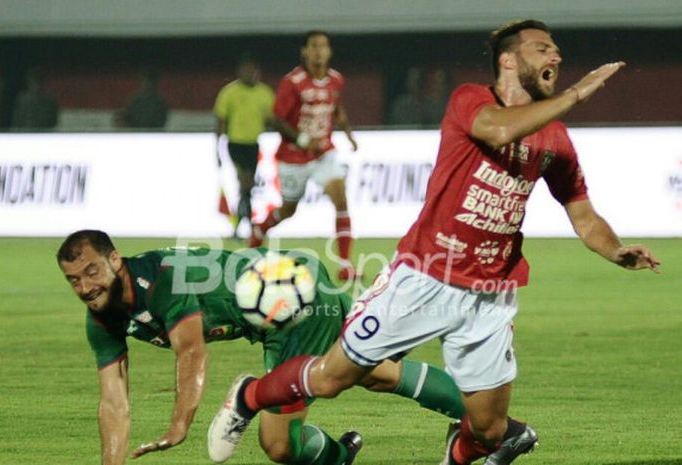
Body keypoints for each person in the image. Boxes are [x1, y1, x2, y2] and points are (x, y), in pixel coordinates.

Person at [208, 19, 661, 465]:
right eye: (542, 48)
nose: (555, 55)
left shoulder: (555, 140)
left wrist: (615, 249)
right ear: (507, 59)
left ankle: (456, 453)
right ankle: (249, 397)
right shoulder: (470, 100)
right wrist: (577, 93)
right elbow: (499, 130)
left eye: (555, 50)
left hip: (491, 292)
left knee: (488, 430)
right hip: (425, 274)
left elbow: (582, 213)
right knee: (333, 377)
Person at [56, 229, 465, 465]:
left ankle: (255, 401)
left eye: (91, 271)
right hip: (289, 288)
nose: (85, 287)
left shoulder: (161, 280)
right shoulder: (101, 317)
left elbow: (192, 352)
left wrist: (179, 426)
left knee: (278, 443)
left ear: (114, 260)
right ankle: (488, 421)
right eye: (74, 280)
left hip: (286, 299)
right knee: (375, 373)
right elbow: (113, 403)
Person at [249, 30, 361, 281]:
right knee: (288, 210)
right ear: (305, 51)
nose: (319, 51)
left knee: (341, 199)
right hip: (293, 158)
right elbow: (276, 119)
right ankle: (259, 229)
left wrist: (349, 134)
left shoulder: (336, 80)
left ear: (329, 51)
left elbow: (337, 109)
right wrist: (301, 139)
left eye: (323, 46)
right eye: (314, 46)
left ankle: (345, 266)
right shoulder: (292, 82)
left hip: (324, 153)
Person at [213, 54, 275, 230]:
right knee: (245, 181)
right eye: (246, 69)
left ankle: (241, 223)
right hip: (235, 144)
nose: (249, 73)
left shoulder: (264, 93)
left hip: (253, 144)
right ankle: (248, 223)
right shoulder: (229, 92)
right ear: (239, 71)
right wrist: (217, 149)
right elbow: (220, 121)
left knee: (247, 185)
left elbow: (272, 119)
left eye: (252, 70)